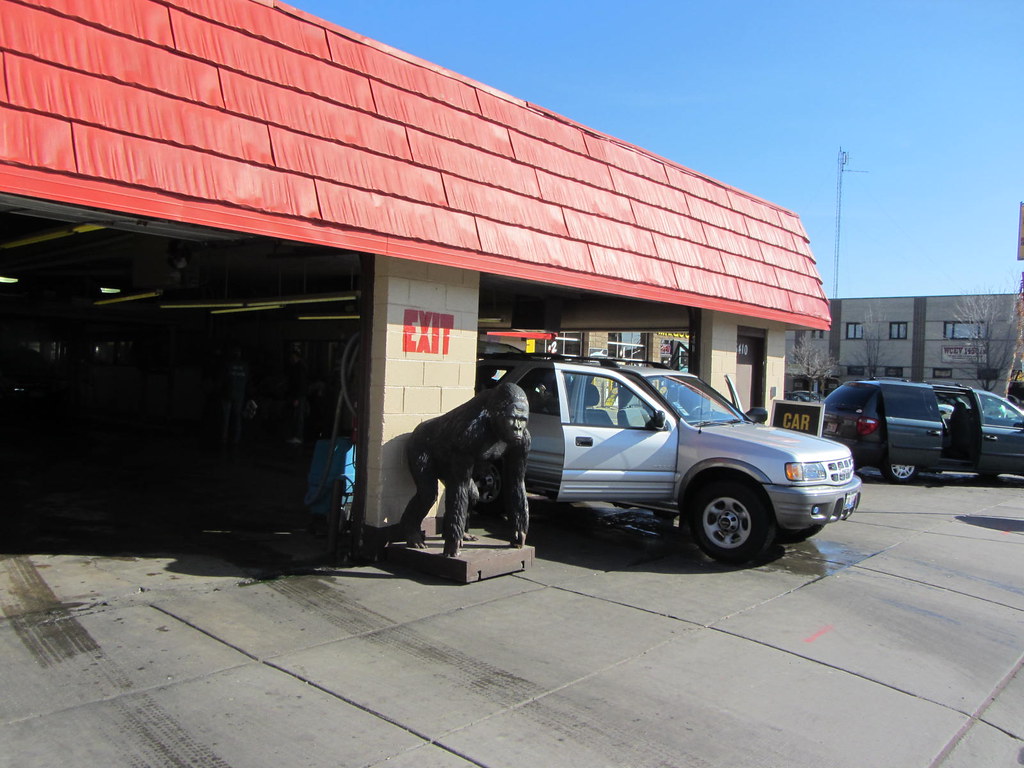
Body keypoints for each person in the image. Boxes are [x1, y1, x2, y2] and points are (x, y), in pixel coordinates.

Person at [220, 343, 249, 445]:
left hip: (227, 394)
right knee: (237, 419)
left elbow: (222, 380)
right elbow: (247, 380)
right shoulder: (245, 366)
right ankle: (236, 440)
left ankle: (224, 439)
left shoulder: (227, 364)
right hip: (239, 395)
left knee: (225, 419)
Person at [285, 347, 307, 444]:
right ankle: (296, 436)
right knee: (296, 416)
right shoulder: (298, 367)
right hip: (298, 395)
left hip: (298, 396)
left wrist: (297, 397)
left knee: (298, 416)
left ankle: (298, 436)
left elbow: (300, 383)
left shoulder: (299, 368)